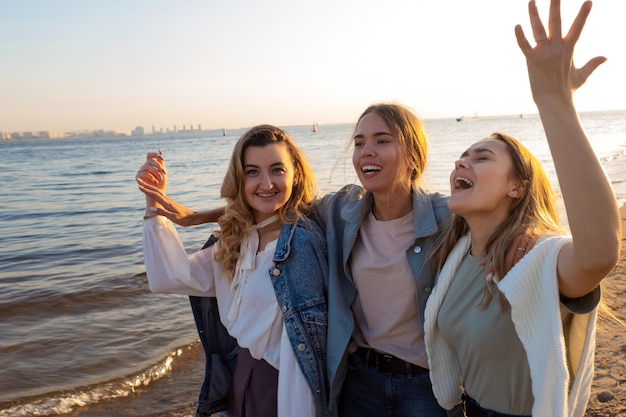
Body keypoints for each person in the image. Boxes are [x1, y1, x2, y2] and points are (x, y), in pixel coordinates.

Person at [423, 1, 622, 416]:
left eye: (481, 157)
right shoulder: (457, 258)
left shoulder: (535, 257)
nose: (462, 161)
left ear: (518, 187)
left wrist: (554, 100)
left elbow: (600, 251)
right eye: (461, 156)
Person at [136, 125, 333, 417]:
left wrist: (201, 216)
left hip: (285, 387)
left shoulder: (303, 242)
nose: (266, 183)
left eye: (277, 170)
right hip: (240, 378)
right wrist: (155, 203)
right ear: (239, 180)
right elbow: (169, 278)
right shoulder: (238, 240)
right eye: (252, 172)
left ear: (296, 174)